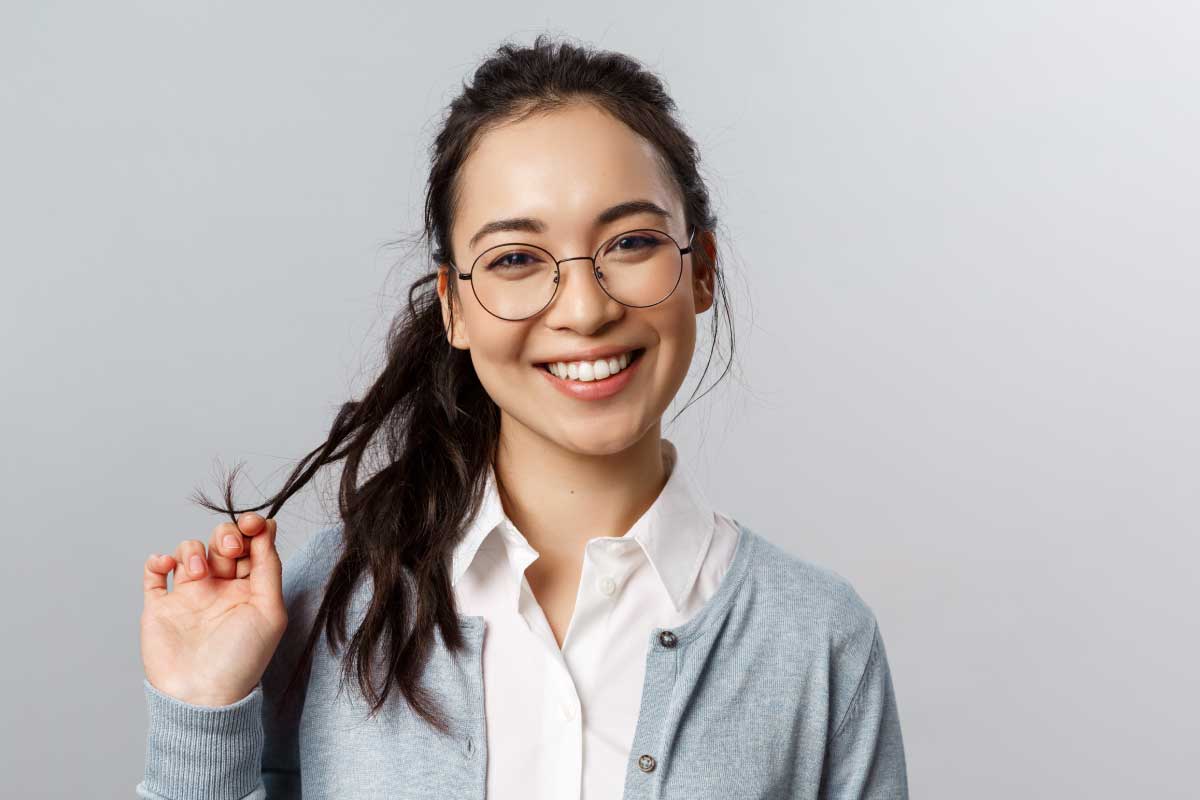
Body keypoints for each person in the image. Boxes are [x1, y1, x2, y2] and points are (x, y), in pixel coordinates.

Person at [137, 34, 909, 800]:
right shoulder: (331, 602)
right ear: (454, 307)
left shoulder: (816, 638)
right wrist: (200, 713)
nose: (584, 308)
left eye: (632, 242)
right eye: (515, 259)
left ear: (700, 270)